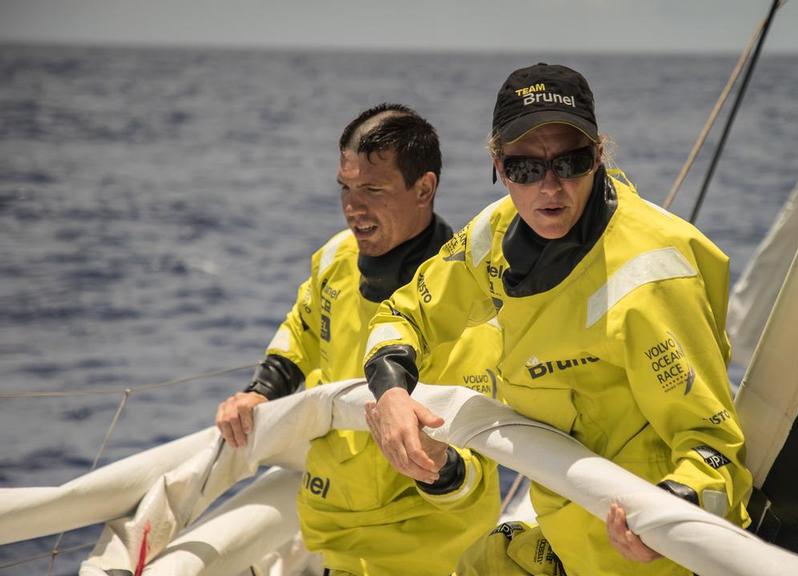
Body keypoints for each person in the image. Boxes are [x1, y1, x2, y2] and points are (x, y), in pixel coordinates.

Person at [362, 64, 754, 576]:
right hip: (566, 540)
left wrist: (672, 510)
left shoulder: (654, 276)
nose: (550, 187)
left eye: (570, 163)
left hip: (651, 559)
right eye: (525, 169)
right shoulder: (493, 235)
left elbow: (716, 449)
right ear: (499, 168)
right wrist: (392, 393)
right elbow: (405, 311)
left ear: (599, 157)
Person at [215, 103, 501, 576]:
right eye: (345, 188)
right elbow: (303, 331)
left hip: (431, 558)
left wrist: (439, 466)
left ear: (424, 188)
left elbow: (475, 468)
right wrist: (260, 391)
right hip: (335, 542)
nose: (353, 207)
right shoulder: (334, 259)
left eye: (373, 189)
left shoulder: (467, 309)